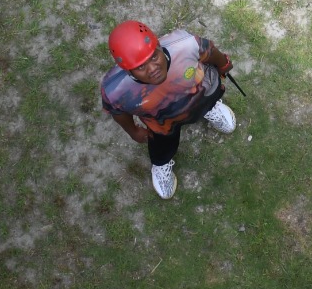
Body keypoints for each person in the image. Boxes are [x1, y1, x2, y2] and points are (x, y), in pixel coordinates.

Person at [101, 20, 238, 199]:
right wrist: (133, 131)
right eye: (140, 67)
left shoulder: (186, 45)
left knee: (209, 99)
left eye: (154, 57)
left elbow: (210, 52)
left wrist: (224, 64)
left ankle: (211, 109)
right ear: (127, 70)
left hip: (202, 96)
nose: (153, 69)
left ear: (158, 45)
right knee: (162, 146)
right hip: (163, 124)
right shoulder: (115, 90)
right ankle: (161, 163)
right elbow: (117, 112)